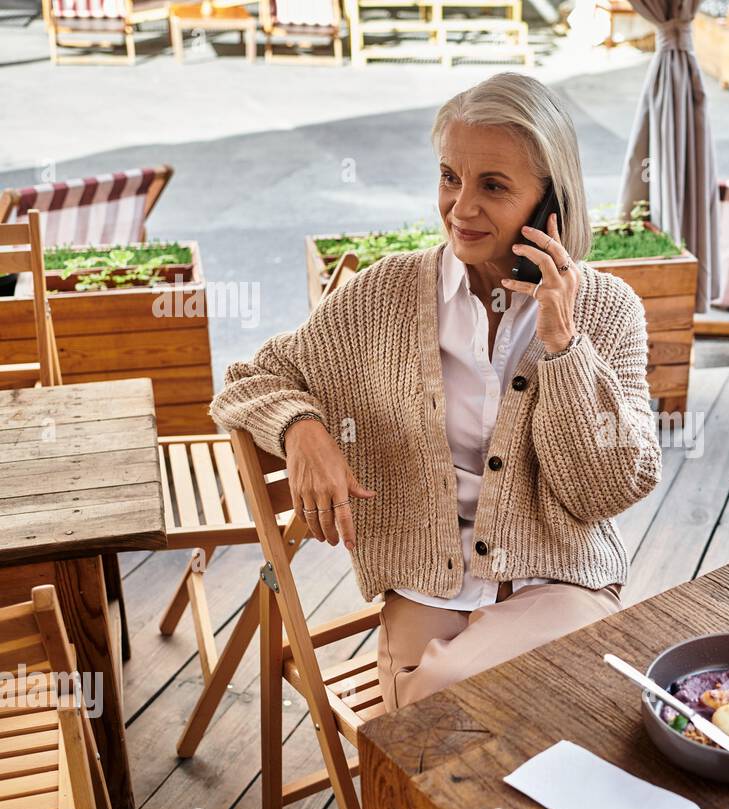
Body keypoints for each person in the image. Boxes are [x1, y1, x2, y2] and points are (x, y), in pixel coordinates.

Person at [210, 73, 661, 712]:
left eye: (494, 186)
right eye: (450, 177)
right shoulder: (385, 294)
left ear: (549, 203)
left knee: (440, 711)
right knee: (445, 714)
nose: (461, 207)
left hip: (556, 580)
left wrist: (563, 346)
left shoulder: (608, 310)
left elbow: (604, 489)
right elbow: (250, 378)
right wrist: (300, 430)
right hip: (429, 587)